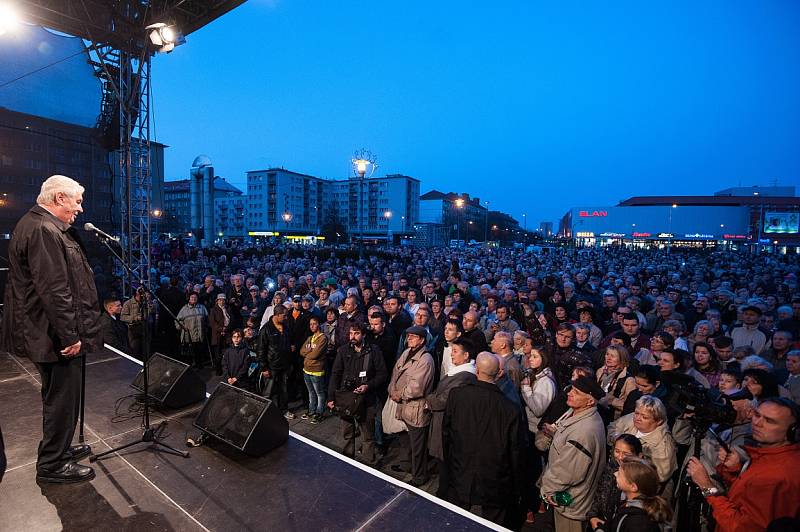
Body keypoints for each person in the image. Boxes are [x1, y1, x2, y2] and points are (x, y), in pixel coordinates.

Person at [2, 175, 101, 483]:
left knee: (59, 396)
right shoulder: (45, 230)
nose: (80, 209)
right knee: (61, 397)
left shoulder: (38, 224)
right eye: (77, 201)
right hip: (52, 334)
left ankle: (58, 448)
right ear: (59, 198)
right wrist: (70, 336)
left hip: (45, 331)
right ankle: (52, 463)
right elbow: (55, 290)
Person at [686, 398, 800, 532]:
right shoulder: (773, 457)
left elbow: (740, 527)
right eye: (757, 415)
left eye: (769, 421)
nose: (757, 423)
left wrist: (706, 487)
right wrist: (735, 471)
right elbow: (747, 495)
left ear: (793, 432)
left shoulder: (775, 477)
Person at [442, 352, 524, 528]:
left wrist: (449, 464)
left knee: (454, 521)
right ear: (498, 374)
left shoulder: (457, 395)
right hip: (495, 479)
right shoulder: (510, 409)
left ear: (477, 370)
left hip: (460, 469)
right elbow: (515, 451)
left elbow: (446, 433)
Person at [538, 375, 607, 532]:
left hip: (571, 502)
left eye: (576, 392)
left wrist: (547, 489)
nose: (570, 393)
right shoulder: (576, 413)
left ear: (590, 401)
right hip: (568, 496)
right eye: (571, 389)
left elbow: (570, 472)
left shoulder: (584, 431)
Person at [327, 322, 387, 464]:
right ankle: (348, 462)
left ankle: (368, 463)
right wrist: (330, 397)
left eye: (356, 333)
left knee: (368, 434)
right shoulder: (343, 351)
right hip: (346, 398)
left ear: (364, 334)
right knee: (347, 432)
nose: (352, 336)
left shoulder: (374, 351)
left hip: (367, 399)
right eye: (351, 333)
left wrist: (368, 385)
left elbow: (382, 374)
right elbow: (335, 374)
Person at [424, 337, 476, 497]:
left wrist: (429, 400)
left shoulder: (465, 376)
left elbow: (443, 400)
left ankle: (447, 494)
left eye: (455, 352)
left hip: (448, 426)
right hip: (441, 422)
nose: (451, 355)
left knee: (447, 463)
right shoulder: (456, 372)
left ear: (466, 355)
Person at [388, 326, 435, 486]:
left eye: (413, 337)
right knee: (405, 439)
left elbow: (417, 387)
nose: (409, 340)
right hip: (403, 406)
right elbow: (396, 371)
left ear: (422, 340)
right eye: (408, 337)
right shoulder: (407, 352)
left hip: (415, 409)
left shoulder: (426, 359)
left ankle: (419, 476)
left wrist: (398, 394)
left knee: (418, 447)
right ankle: (408, 465)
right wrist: (392, 389)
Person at [607, 395, 678, 486]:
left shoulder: (663, 445)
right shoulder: (631, 419)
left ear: (658, 421)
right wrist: (616, 438)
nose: (637, 418)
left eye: (644, 417)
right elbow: (612, 427)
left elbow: (661, 476)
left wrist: (637, 464)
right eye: (637, 413)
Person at [587, 434, 644, 531]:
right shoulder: (611, 466)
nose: (620, 457)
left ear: (639, 456)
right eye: (617, 451)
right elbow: (600, 492)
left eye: (626, 453)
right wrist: (592, 515)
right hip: (603, 521)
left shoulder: (641, 477)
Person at [605, 457, 673, 531]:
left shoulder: (639, 523)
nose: (615, 474)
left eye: (619, 474)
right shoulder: (627, 504)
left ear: (633, 487)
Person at [258, 304, 293, 418]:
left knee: (284, 389)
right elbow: (261, 350)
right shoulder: (266, 329)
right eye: (284, 315)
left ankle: (284, 410)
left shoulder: (285, 326)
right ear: (277, 315)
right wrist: (264, 368)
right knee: (268, 391)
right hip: (271, 366)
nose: (286, 317)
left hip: (284, 365)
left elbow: (288, 343)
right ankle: (264, 413)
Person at [299, 316, 328, 423]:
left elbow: (315, 355)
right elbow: (301, 351)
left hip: (317, 370)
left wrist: (308, 352)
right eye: (310, 324)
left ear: (319, 324)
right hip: (306, 369)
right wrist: (309, 352)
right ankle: (311, 411)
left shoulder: (323, 338)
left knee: (319, 393)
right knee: (311, 392)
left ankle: (319, 413)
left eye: (314, 323)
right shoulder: (310, 338)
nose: (312, 326)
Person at [176, 292, 209, 368]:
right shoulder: (184, 309)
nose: (193, 299)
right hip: (189, 336)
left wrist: (206, 327)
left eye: (195, 297)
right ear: (189, 298)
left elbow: (207, 319)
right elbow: (177, 320)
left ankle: (199, 366)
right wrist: (181, 328)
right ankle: (190, 367)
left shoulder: (202, 307)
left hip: (200, 334)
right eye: (192, 297)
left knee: (199, 351)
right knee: (190, 352)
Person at [209, 293, 232, 375]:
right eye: (220, 300)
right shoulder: (213, 310)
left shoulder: (228, 309)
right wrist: (221, 329)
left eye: (223, 300)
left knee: (228, 351)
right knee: (218, 353)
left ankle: (228, 370)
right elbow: (212, 323)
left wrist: (226, 329)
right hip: (217, 334)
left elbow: (231, 320)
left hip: (227, 333)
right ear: (217, 301)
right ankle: (218, 370)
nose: (222, 301)